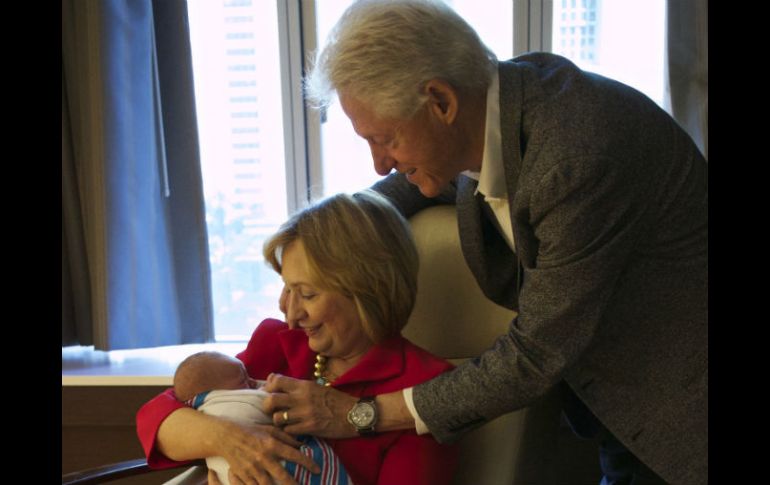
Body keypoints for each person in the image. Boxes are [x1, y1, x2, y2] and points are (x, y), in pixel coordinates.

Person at [261, 1, 708, 484]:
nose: (379, 162)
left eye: (385, 139)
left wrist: (357, 415)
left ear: (441, 102)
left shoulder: (576, 152)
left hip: (684, 420)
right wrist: (331, 235)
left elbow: (535, 353)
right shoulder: (493, 113)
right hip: (614, 406)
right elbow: (409, 183)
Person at [136, 190, 459, 485]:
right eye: (286, 287)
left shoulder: (425, 390)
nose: (289, 312)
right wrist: (227, 439)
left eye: (306, 294)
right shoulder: (276, 343)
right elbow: (156, 417)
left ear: (369, 292)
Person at [172, 351, 353, 485]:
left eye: (310, 297)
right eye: (244, 380)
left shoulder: (226, 379)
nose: (254, 382)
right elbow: (155, 413)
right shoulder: (224, 399)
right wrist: (221, 434)